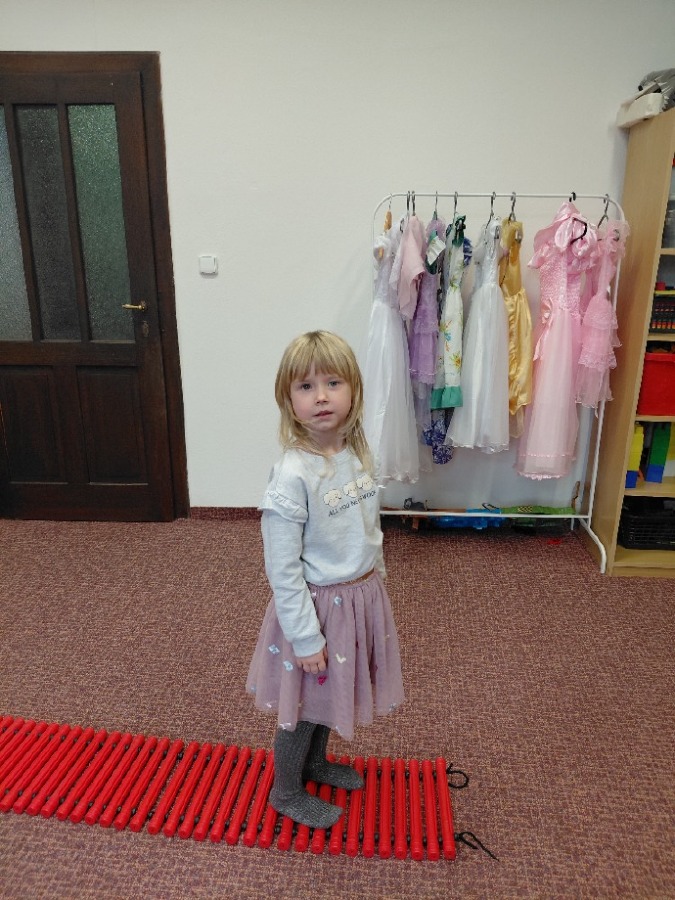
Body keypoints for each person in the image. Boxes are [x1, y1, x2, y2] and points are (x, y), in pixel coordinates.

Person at [246, 330, 404, 829]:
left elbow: (367, 526)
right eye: (305, 386)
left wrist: (375, 579)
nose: (320, 397)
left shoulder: (355, 455)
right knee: (302, 706)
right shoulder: (292, 474)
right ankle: (286, 791)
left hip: (357, 600)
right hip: (315, 611)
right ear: (288, 401)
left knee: (327, 697)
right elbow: (282, 568)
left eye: (333, 383)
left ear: (353, 390)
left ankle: (314, 764)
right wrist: (305, 636)